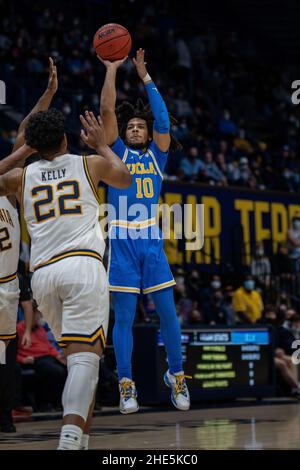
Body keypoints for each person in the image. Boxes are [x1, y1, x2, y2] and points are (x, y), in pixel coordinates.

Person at [0, 108, 131, 450]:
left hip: (43, 277)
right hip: (82, 269)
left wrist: (25, 150)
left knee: (81, 364)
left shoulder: (21, 176)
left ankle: (81, 442)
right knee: (84, 362)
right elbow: (125, 177)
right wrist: (103, 145)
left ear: (34, 144)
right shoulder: (89, 164)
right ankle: (69, 442)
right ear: (65, 138)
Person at [99, 48, 190, 414]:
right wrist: (111, 71)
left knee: (168, 314)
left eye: (141, 126)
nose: (135, 129)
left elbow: (164, 122)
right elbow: (107, 112)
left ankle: (177, 374)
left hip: (150, 241)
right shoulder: (115, 152)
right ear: (124, 132)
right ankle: (126, 383)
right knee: (124, 317)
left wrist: (145, 77)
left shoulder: (157, 155)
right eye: (130, 126)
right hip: (120, 241)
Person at [17, 303, 67, 410]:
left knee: (67, 368)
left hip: (48, 357)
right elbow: (13, 352)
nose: (38, 317)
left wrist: (58, 355)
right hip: (34, 359)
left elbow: (48, 346)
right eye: (36, 314)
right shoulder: (19, 329)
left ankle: (62, 402)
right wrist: (23, 359)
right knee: (57, 371)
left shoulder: (40, 328)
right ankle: (52, 402)